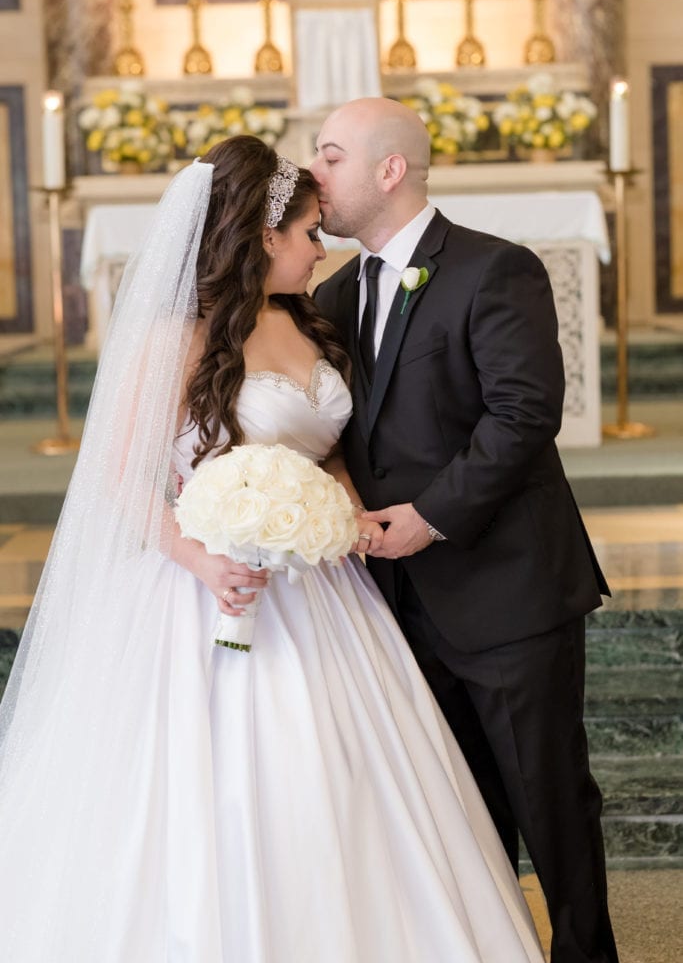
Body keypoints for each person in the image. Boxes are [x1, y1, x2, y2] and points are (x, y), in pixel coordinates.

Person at [0, 135, 545, 962]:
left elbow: (324, 446)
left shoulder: (308, 320)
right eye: (307, 234)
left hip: (321, 588)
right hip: (204, 589)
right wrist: (200, 560)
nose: (319, 249)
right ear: (261, 240)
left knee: (349, 783)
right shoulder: (172, 340)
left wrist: (347, 515)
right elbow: (119, 475)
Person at [311, 98, 620, 963]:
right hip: (391, 602)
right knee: (455, 807)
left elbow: (524, 416)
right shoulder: (333, 293)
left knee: (548, 797)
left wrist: (432, 517)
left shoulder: (494, 269)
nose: (314, 176)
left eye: (329, 156)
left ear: (389, 170)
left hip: (505, 588)